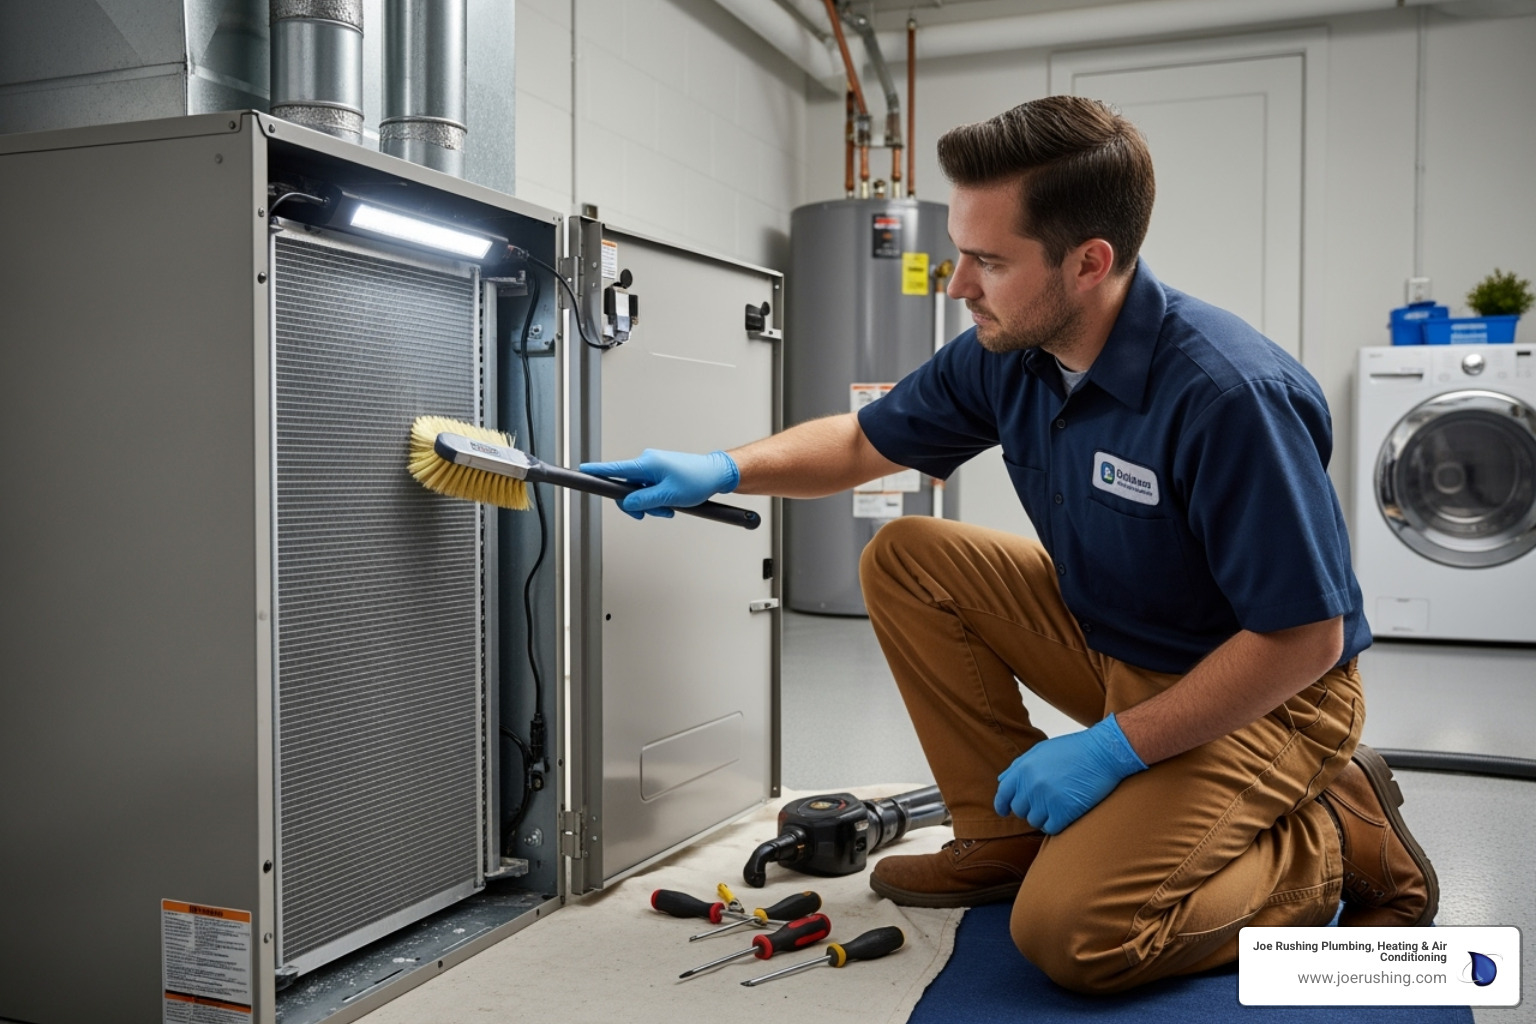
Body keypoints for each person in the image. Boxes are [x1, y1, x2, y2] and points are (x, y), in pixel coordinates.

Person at [580, 95, 1437, 994]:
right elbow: (865, 441)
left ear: (1089, 263)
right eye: (961, 252)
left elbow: (1307, 638)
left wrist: (1111, 751)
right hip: (1120, 645)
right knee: (911, 554)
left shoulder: (1228, 396)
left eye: (988, 261)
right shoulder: (1010, 348)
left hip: (1271, 694)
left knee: (1077, 937)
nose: (957, 286)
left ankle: (1336, 843)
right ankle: (1000, 839)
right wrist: (720, 466)